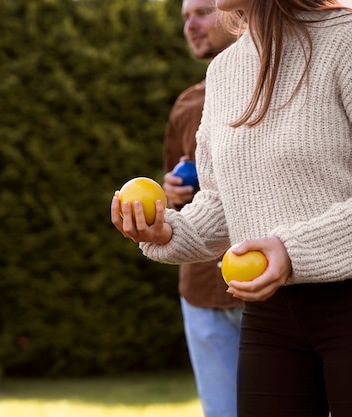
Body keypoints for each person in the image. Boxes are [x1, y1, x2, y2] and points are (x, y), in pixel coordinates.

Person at [111, 0, 352, 416]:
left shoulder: (348, 39)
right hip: (270, 315)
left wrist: (293, 251)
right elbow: (221, 198)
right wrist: (168, 231)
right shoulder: (223, 71)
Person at [162, 1, 242, 417]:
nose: (190, 25)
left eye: (202, 12)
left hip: (262, 280)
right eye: (185, 17)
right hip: (199, 289)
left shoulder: (272, 89)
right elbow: (172, 187)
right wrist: (170, 193)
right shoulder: (186, 104)